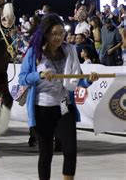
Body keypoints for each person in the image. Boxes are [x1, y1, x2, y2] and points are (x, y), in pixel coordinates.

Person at [18, 13, 99, 180]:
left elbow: (78, 79)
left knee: (70, 150)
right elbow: (22, 78)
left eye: (61, 32)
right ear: (46, 34)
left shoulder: (70, 51)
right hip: (42, 109)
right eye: (54, 33)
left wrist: (88, 80)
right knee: (46, 154)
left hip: (64, 107)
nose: (59, 37)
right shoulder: (34, 53)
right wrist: (39, 75)